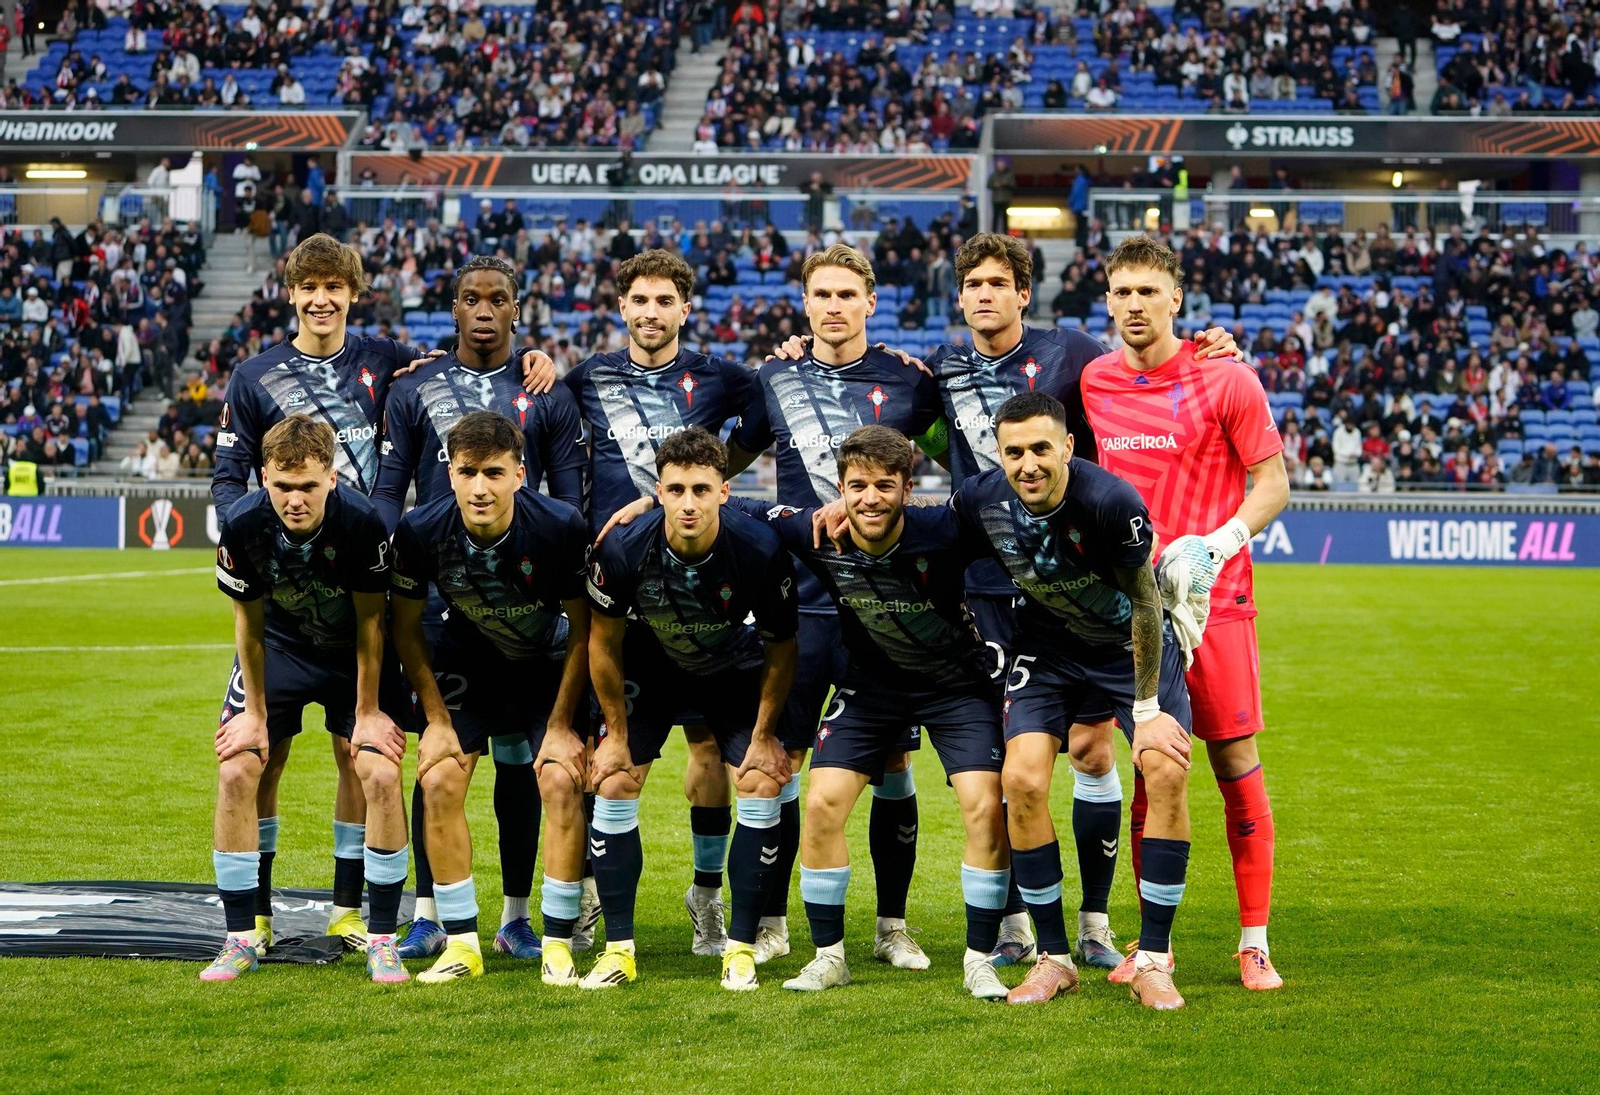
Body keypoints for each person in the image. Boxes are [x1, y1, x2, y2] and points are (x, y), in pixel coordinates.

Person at [734, 426, 1011, 1001]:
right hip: (870, 688)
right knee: (822, 802)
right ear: (839, 488)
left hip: (957, 689)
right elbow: (742, 504)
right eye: (857, 486)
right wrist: (648, 499)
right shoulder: (815, 530)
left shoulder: (944, 530)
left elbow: (1006, 501)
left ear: (909, 488)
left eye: (885, 485)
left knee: (983, 806)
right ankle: (829, 956)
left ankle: (980, 958)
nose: (870, 498)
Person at [1080, 234, 1290, 994]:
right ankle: (1148, 938)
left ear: (1177, 298)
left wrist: (1219, 541)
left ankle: (1254, 940)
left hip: (1216, 600)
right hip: (1134, 610)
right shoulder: (1094, 379)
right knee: (1152, 766)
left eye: (1149, 291)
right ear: (1108, 300)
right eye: (1122, 292)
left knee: (1235, 764)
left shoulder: (1225, 376)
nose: (1135, 304)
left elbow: (1272, 483)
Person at [950, 391, 1194, 1010]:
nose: (1028, 464)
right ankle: (1055, 958)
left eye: (1040, 449)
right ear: (998, 456)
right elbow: (931, 540)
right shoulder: (981, 499)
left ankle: (1155, 959)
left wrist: (1144, 711)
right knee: (1023, 780)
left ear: (1067, 447)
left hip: (1125, 648)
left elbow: (1145, 604)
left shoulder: (1110, 503)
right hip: (1049, 650)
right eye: (1014, 452)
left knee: (1163, 769)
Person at [375, 256, 585, 964]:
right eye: (472, 298)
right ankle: (431, 913)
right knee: (440, 758)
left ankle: (518, 915)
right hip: (442, 602)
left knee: (521, 759)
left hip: (526, 610)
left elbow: (565, 505)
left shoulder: (544, 391)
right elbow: (388, 489)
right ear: (454, 307)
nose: (485, 309)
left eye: (499, 297)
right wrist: (379, 568)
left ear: (517, 308)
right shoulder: (415, 385)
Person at [559, 250, 758, 956]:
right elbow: (546, 427)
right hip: (618, 593)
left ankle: (707, 897)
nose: (649, 312)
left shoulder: (722, 377)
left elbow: (764, 419)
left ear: (684, 307)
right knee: (609, 756)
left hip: (699, 595)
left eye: (663, 300)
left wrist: (696, 484)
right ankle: (588, 897)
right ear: (622, 308)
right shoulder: (588, 377)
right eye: (638, 300)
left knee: (707, 752)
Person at [584, 427, 798, 991]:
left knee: (758, 781)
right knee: (613, 782)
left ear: (724, 491)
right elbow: (602, 645)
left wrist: (764, 735)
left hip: (731, 669)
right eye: (675, 490)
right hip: (650, 670)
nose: (688, 503)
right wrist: (614, 733)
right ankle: (618, 949)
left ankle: (742, 947)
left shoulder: (758, 550)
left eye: (701, 490)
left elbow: (782, 649)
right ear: (659, 491)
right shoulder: (622, 546)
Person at [203, 415, 410, 983]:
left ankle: (380, 937)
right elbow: (247, 625)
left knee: (381, 774)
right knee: (239, 772)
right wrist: (256, 715)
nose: (295, 500)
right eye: (283, 487)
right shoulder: (242, 524)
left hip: (353, 654)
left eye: (309, 487)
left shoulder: (363, 523)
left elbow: (373, 622)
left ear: (332, 478)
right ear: (263, 476)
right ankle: (243, 934)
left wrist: (367, 712)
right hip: (281, 649)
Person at [389, 411, 591, 984]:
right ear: (449, 474)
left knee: (557, 776)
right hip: (466, 664)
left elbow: (584, 632)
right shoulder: (420, 529)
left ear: (520, 474)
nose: (481, 487)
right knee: (439, 779)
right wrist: (434, 720)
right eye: (468, 472)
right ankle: (460, 944)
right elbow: (405, 629)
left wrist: (559, 725)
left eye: (494, 473)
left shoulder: (559, 526)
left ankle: (554, 943)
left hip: (544, 666)